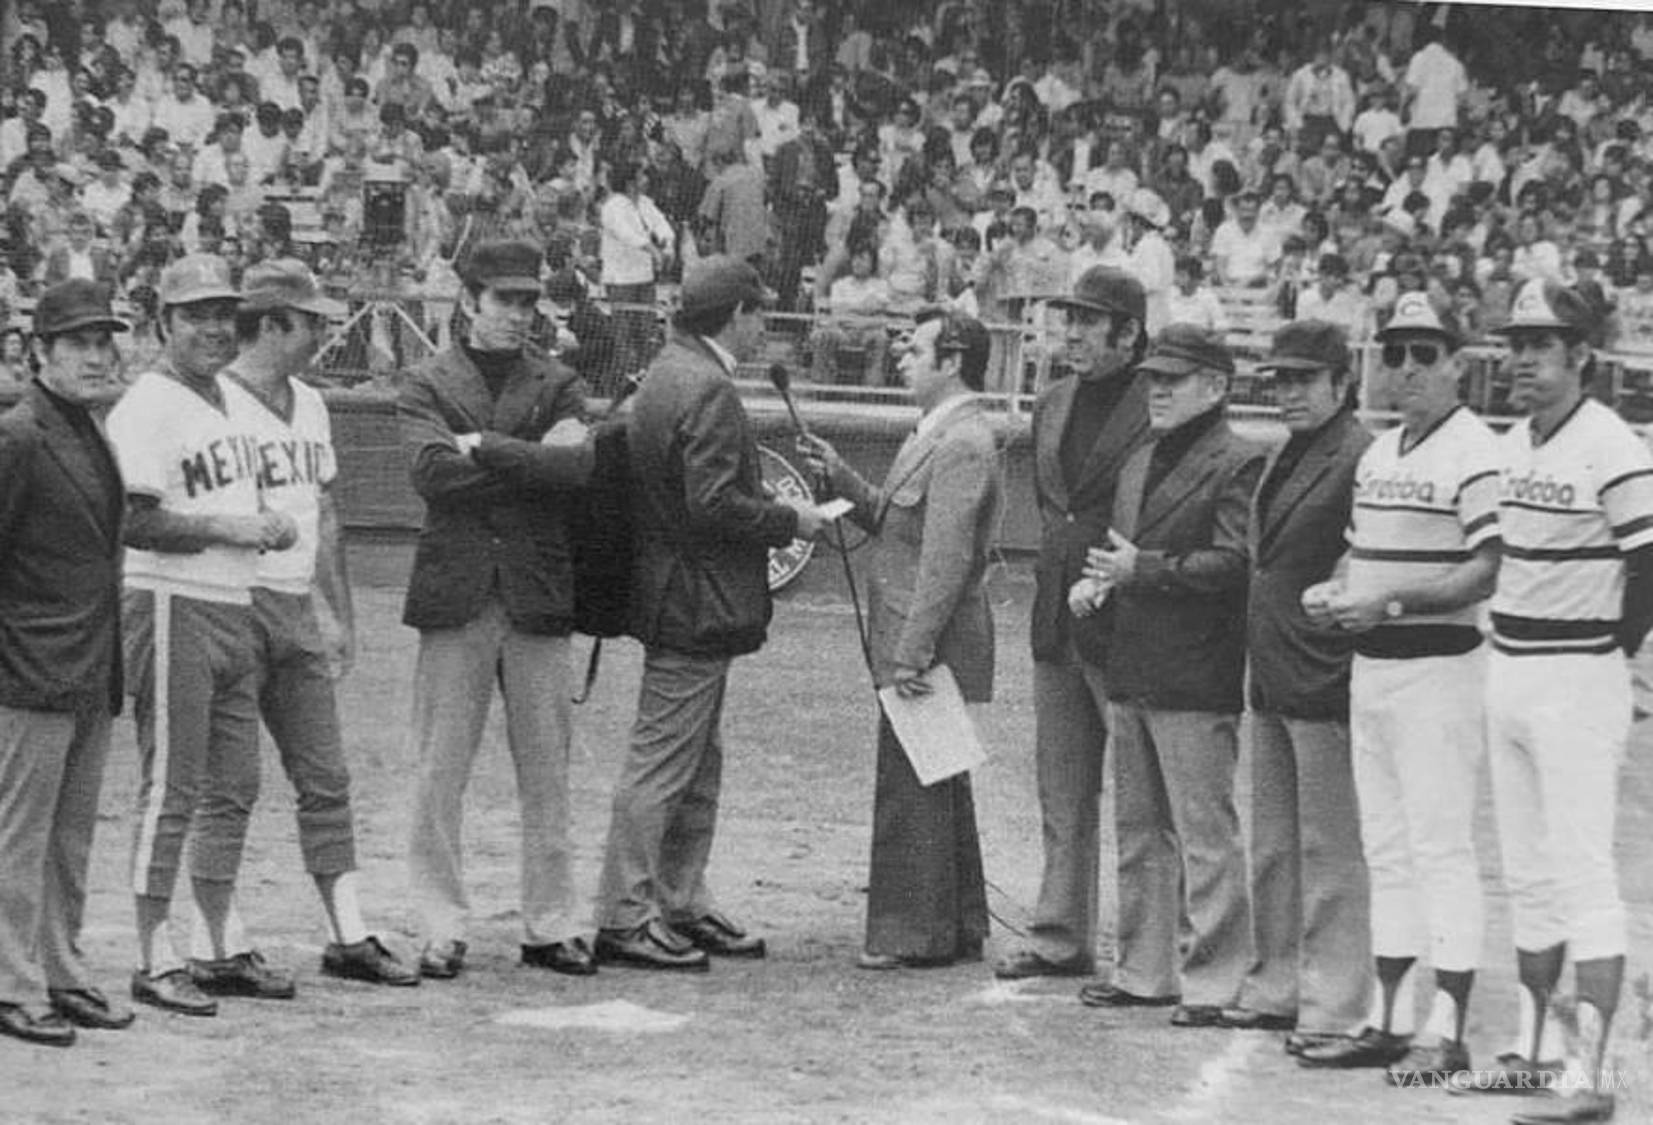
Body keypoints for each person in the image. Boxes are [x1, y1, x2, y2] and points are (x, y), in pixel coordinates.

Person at [179, 260, 417, 988]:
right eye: (308, 319)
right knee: (231, 784)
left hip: (293, 608)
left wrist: (338, 610)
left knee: (325, 774)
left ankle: (347, 933)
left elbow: (328, 513)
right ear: (273, 321)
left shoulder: (310, 403)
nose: (319, 331)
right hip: (228, 603)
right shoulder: (210, 401)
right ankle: (213, 942)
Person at [593, 256, 831, 972]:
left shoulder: (668, 369)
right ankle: (625, 912)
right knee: (666, 760)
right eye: (758, 312)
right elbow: (715, 504)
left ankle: (678, 896)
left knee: (696, 757)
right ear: (735, 316)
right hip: (696, 597)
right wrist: (792, 517)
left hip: (676, 591)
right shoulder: (708, 386)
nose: (764, 325)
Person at [1294, 292, 1501, 1078]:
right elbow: (1360, 552)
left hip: (1438, 666)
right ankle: (1386, 1017)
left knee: (1439, 844)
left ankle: (1445, 1030)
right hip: (1372, 666)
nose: (1407, 367)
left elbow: (1485, 567)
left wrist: (1390, 598)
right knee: (1384, 845)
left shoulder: (1474, 449)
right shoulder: (1380, 453)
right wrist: (1336, 586)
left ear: (1456, 363)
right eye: (1395, 352)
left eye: (1425, 352)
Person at [1477, 280, 1653, 1125]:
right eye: (1513, 343)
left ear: (1580, 355)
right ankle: (1534, 1052)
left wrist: (1603, 654)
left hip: (1575, 678)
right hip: (1510, 670)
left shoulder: (1610, 443)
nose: (1518, 360)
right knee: (1527, 873)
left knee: (1583, 873)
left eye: (1539, 345)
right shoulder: (1515, 440)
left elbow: (1647, 566)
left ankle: (1592, 1072)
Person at [107, 254, 300, 1018]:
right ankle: (155, 955)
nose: (214, 327)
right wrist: (232, 524)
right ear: (163, 324)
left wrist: (261, 529)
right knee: (172, 786)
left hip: (229, 602)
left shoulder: (222, 396)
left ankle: (217, 943)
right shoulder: (148, 403)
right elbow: (134, 519)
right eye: (195, 314)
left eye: (223, 313)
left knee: (235, 783)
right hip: (168, 600)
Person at [399, 239, 597, 981]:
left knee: (548, 768)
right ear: (468, 300)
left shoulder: (559, 378)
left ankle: (549, 923)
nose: (518, 314)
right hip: (458, 592)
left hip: (536, 591)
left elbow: (576, 468)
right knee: (437, 770)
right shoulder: (425, 379)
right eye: (504, 300)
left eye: (527, 302)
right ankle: (439, 924)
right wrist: (528, 460)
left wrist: (481, 445)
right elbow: (430, 476)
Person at [1070, 324, 1264, 1021]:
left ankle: (1214, 978)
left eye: (1172, 380)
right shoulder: (1141, 457)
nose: (1156, 389)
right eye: (1153, 378)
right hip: (1134, 660)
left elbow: (1235, 564)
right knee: (1140, 827)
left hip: (1193, 671)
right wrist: (1102, 582)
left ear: (1214, 387)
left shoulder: (1238, 461)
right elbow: (1121, 547)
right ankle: (1144, 968)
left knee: (1202, 832)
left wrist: (1137, 571)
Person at [800, 310, 1002, 970]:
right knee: (935, 776)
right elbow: (897, 523)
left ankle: (910, 931)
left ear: (951, 358)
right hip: (914, 631)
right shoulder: (941, 433)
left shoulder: (962, 440)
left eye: (913, 349)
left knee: (911, 785)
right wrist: (841, 478)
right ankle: (956, 920)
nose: (899, 358)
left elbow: (943, 561)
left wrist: (912, 651)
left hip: (921, 638)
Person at [993, 267, 1151, 983]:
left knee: (1143, 790)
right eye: (1069, 320)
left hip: (1127, 613)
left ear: (1129, 333)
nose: (1074, 334)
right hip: (1056, 610)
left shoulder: (1159, 401)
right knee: (1061, 784)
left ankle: (1152, 945)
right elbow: (1049, 503)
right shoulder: (1052, 398)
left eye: (1090, 322)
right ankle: (1060, 934)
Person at [1221, 320, 1374, 1054]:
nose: (1287, 392)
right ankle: (1276, 981)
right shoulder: (1289, 453)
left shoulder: (1360, 456)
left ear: (1342, 384)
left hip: (1325, 675)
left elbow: (1364, 563)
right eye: (1279, 379)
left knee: (1329, 848)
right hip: (1273, 672)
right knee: (1276, 844)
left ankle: (1336, 999)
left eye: (1303, 379)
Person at [0, 281, 133, 1046]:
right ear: (38, 352)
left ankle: (62, 970)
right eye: (79, 341)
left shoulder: (88, 429)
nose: (96, 354)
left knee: (69, 836)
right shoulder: (20, 437)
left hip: (88, 667)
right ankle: (12, 981)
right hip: (30, 670)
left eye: (103, 340)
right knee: (18, 834)